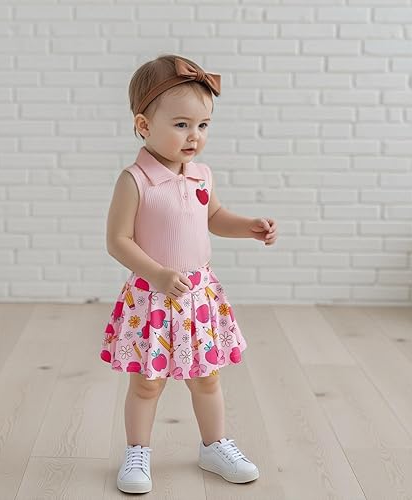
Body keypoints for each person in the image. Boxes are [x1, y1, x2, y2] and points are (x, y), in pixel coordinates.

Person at [100, 54, 278, 494]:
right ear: (144, 126)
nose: (194, 135)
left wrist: (248, 226)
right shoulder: (135, 180)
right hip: (154, 297)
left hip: (198, 295)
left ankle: (214, 445)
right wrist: (157, 274)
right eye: (181, 124)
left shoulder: (201, 175)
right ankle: (137, 452)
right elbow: (118, 240)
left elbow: (213, 217)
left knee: (207, 377)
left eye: (203, 125)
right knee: (147, 382)